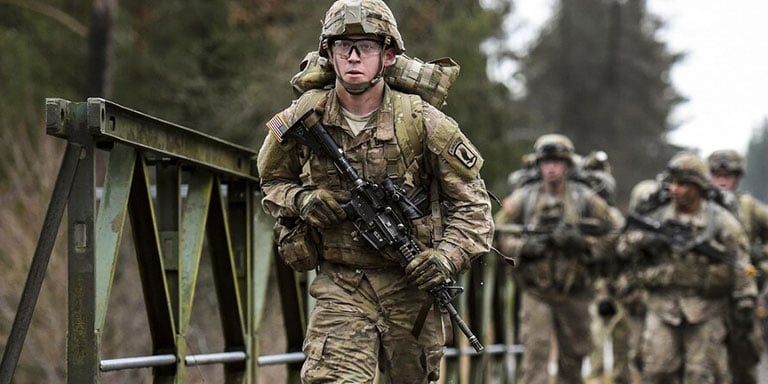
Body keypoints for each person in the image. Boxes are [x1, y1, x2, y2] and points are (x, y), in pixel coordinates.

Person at [256, 1, 494, 382]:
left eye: (364, 47)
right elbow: (270, 181)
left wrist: (445, 258)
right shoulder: (301, 115)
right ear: (328, 55)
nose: (352, 57)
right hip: (341, 283)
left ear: (387, 55)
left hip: (410, 288)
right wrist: (303, 201)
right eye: (341, 47)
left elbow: (473, 207)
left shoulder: (422, 121)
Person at [617, 151, 757, 383]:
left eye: (682, 184)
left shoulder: (721, 222)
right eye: (672, 183)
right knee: (657, 370)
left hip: (705, 310)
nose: (675, 189)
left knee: (700, 374)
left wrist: (746, 301)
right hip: (662, 307)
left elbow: (742, 265)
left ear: (697, 186)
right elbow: (623, 248)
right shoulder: (657, 217)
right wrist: (645, 240)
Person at [494, 133, 623, 384]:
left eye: (557, 162)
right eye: (546, 162)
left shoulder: (585, 197)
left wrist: (583, 243)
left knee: (574, 355)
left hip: (575, 290)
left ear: (567, 165)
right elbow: (497, 233)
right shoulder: (524, 198)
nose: (551, 168)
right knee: (536, 353)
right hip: (535, 290)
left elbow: (616, 230)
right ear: (539, 165)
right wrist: (524, 247)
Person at [707, 149, 768, 384]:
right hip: (708, 294)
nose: (722, 180)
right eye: (716, 174)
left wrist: (761, 259)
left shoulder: (749, 207)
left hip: (745, 289)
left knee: (745, 358)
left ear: (738, 176)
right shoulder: (701, 207)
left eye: (729, 175)